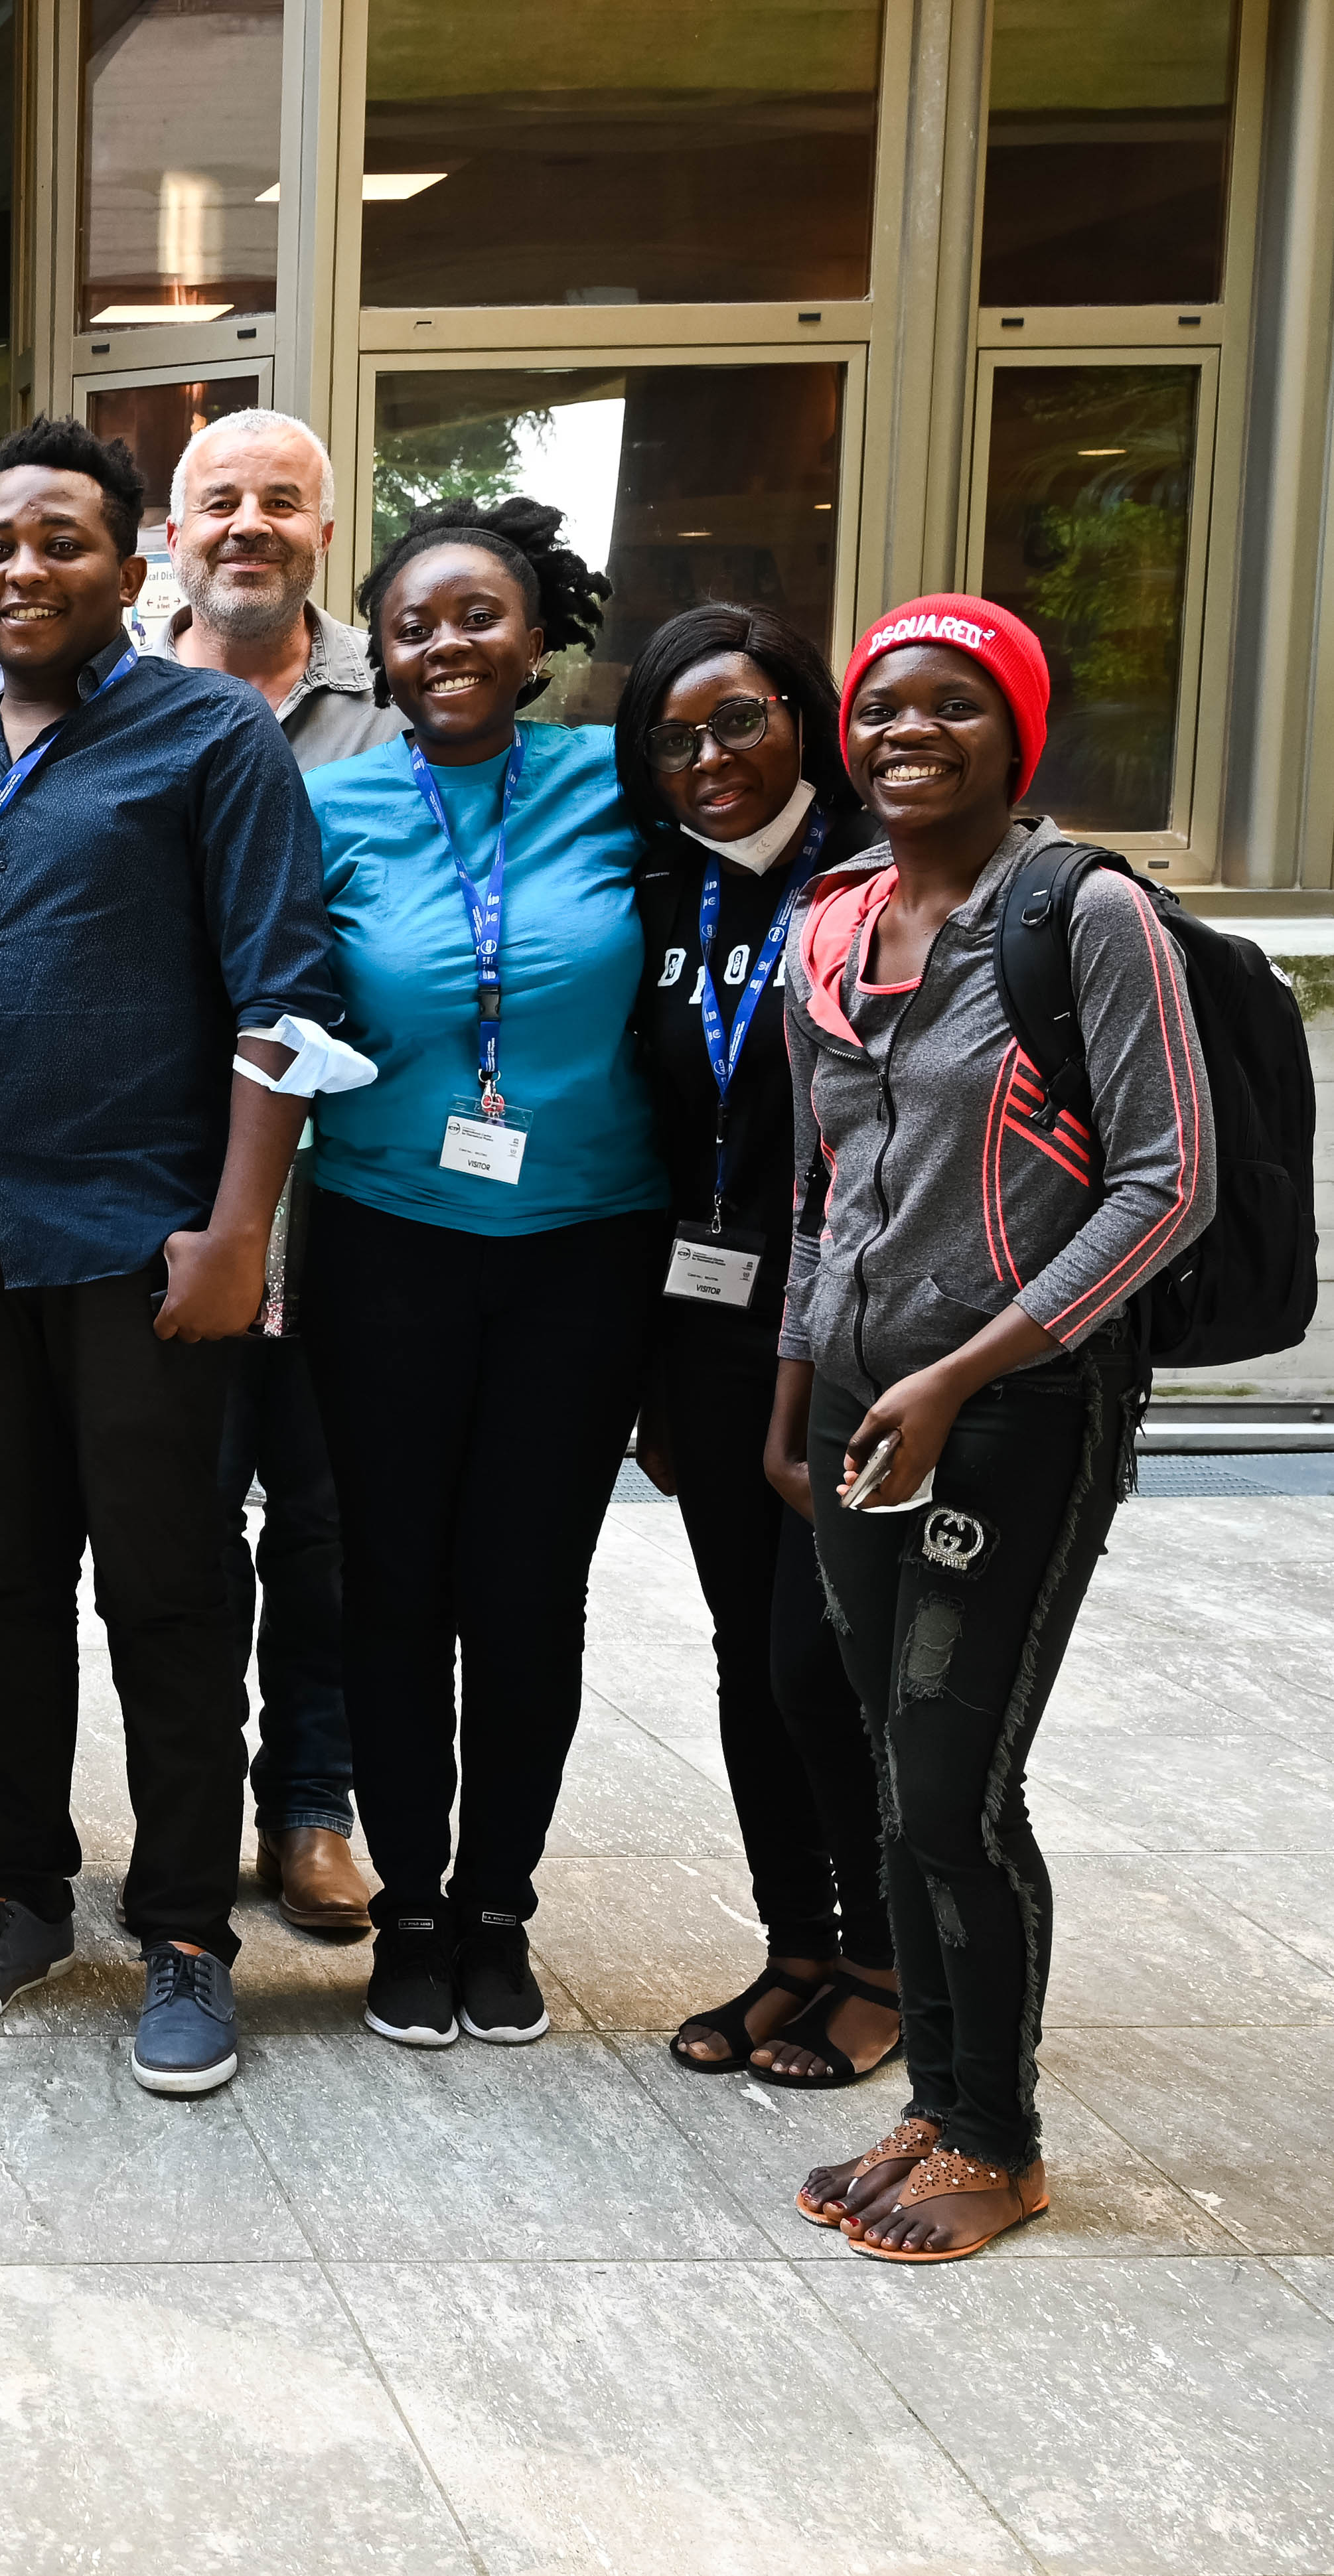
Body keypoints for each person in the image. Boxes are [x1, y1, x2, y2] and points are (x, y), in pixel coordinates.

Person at [0, 420, 350, 2095]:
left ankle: (185, 1929)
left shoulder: (207, 735)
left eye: (59, 541)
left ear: (126, 568)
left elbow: (288, 995)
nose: (21, 570)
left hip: (148, 1246)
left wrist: (237, 1228)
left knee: (167, 1587)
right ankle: (11, 1887)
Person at [782, 599, 1210, 2263]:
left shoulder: (1080, 911)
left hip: (1016, 1409)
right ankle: (938, 2095)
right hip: (857, 1405)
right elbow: (827, 1182)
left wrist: (961, 1368)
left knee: (956, 1779)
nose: (905, 730)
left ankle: (997, 2136)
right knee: (892, 1774)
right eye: (880, 704)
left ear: (1013, 731)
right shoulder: (831, 925)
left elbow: (1166, 1184)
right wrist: (811, 1367)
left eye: (951, 705)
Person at [301, 498, 658, 2054]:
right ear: (374, 653)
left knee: (524, 1588)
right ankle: (408, 1909)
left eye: (476, 615)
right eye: (410, 622)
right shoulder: (336, 810)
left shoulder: (622, 790)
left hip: (585, 1249)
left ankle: (496, 1904)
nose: (443, 642)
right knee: (389, 1583)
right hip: (382, 1239)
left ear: (535, 637)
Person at [616, 605, 891, 2088]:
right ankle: (795, 1945)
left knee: (817, 1657)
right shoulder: (669, 892)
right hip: (709, 1334)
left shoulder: (871, 883)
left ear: (803, 713)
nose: (708, 759)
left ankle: (884, 1960)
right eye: (673, 736)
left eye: (739, 722)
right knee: (745, 1654)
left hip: (851, 1341)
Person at [141, 408, 402, 1938]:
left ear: (323, 530)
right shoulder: (104, 695)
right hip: (156, 1183)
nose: (247, 523)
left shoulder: (394, 702)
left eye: (279, 502)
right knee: (172, 1522)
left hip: (351, 1197)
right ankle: (179, 1805)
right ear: (170, 535)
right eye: (216, 500)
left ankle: (311, 1799)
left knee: (321, 1518)